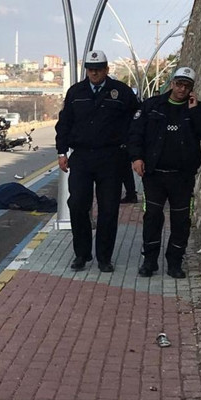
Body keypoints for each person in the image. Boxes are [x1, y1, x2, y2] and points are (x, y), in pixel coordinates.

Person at [128, 67, 201, 278]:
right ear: (172, 83)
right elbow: (135, 133)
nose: (182, 89)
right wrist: (136, 158)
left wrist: (195, 111)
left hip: (182, 177)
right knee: (152, 218)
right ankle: (149, 261)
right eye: (179, 84)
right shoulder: (152, 106)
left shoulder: (198, 109)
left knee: (181, 221)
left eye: (186, 86)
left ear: (192, 89)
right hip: (154, 175)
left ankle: (175, 262)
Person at [55, 50, 139, 273]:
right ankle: (81, 254)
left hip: (111, 158)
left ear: (106, 69)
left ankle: (104, 257)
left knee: (109, 209)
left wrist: (133, 151)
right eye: (91, 69)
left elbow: (137, 119)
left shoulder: (120, 92)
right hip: (81, 157)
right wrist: (61, 152)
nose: (94, 73)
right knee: (77, 205)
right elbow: (64, 123)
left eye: (98, 69)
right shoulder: (76, 92)